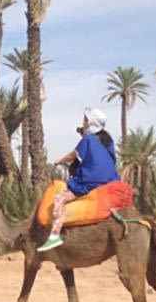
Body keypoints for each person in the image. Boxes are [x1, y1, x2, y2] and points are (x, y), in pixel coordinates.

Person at [38, 108, 120, 252]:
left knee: (59, 199)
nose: (83, 122)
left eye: (85, 120)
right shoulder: (108, 140)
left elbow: (74, 155)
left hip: (90, 181)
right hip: (112, 181)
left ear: (91, 123)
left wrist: (59, 161)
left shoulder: (87, 139)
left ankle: (54, 236)